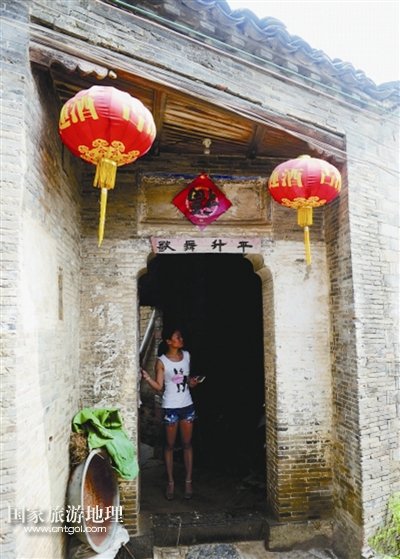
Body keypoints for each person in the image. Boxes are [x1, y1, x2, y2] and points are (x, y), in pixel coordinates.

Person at [141, 327, 201, 500]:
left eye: (180, 337)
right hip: (170, 407)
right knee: (169, 445)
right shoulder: (161, 361)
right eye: (177, 337)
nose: (181, 339)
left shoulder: (187, 356)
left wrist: (192, 382)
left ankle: (188, 481)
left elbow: (186, 381)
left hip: (187, 405)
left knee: (187, 444)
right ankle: (170, 482)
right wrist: (147, 378)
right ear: (169, 341)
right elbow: (159, 387)